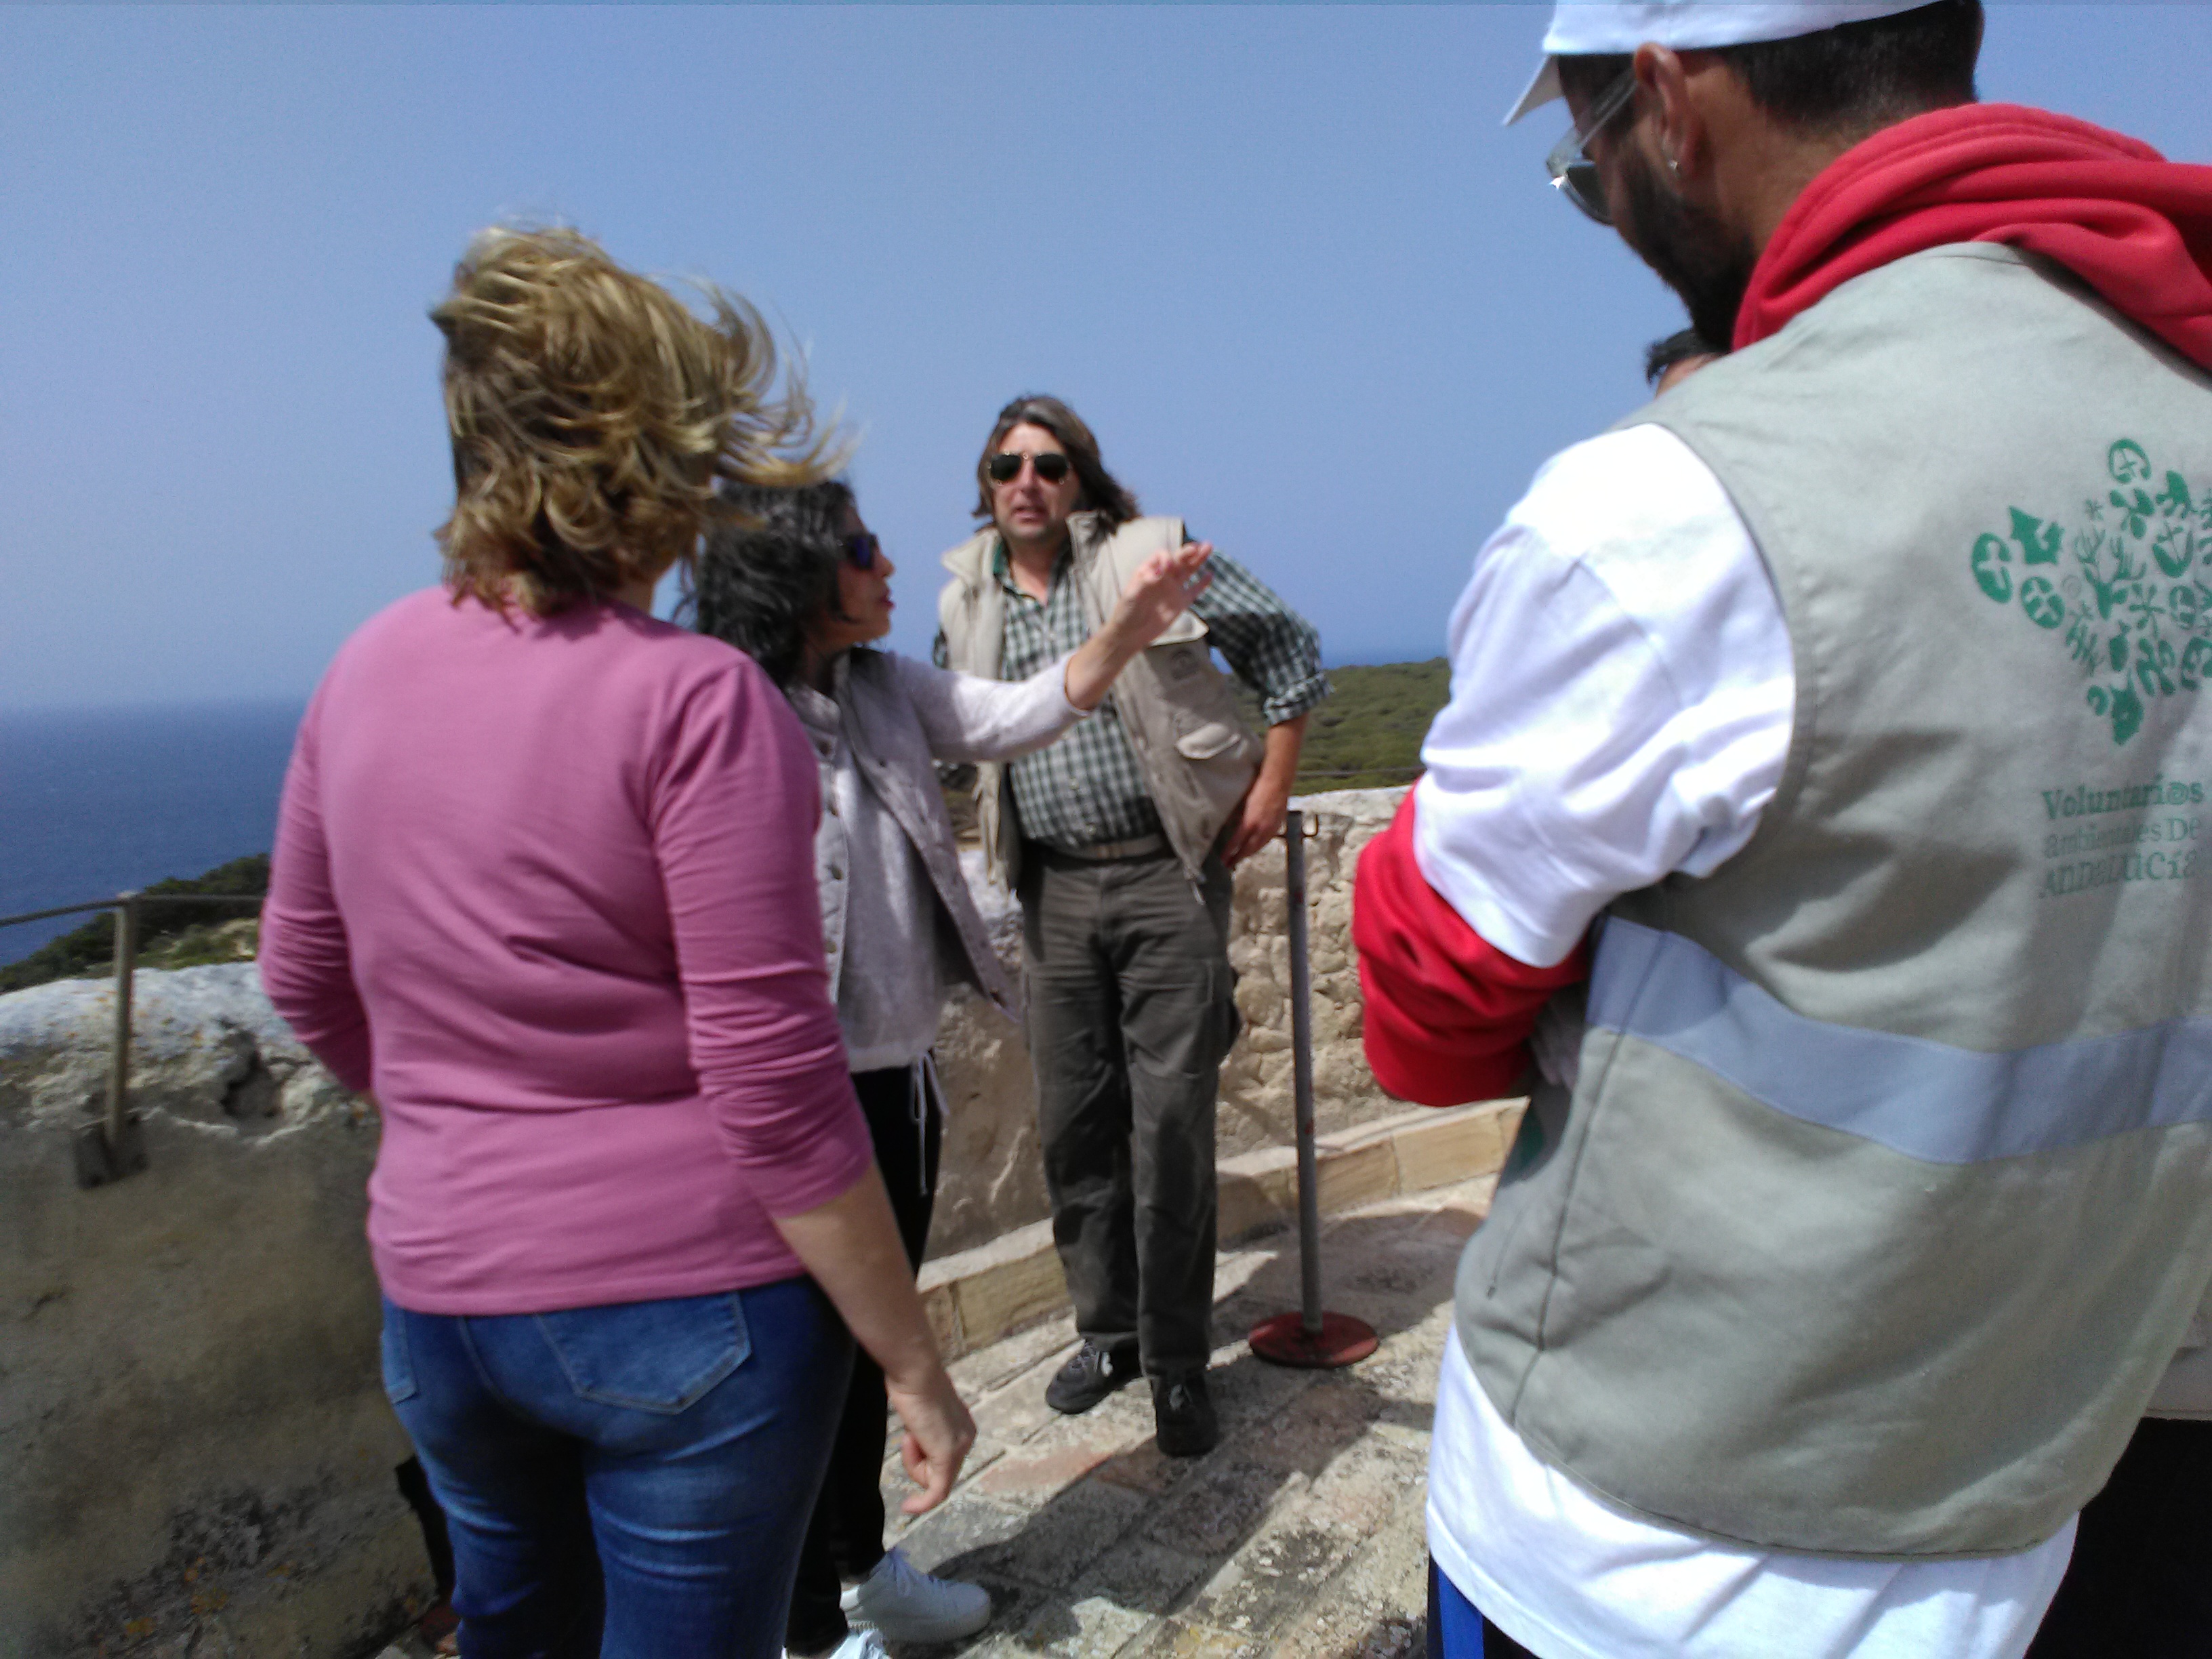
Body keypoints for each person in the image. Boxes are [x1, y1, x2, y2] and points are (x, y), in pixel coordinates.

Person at [1349, 4, 2212, 1656]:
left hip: (1658, 1539)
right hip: (2036, 1482)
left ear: (1670, 104)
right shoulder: (2181, 381)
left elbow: (1426, 1014)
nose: (1605, 206)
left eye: (1587, 167)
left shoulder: (1671, 506)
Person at [258, 227, 974, 1659]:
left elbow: (302, 978)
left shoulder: (365, 667)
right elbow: (776, 1094)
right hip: (689, 1318)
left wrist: (477, 1130)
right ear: (655, 462)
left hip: (444, 1306)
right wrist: (911, 1361)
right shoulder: (698, 701)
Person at [693, 480, 1215, 1658]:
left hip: (896, 1090)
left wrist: (1130, 629)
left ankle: (859, 1573)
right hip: (787, 1099)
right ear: (793, 575)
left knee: (851, 1366)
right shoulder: (723, 710)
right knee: (789, 1375)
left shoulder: (882, 687)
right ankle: (798, 1626)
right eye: (862, 549)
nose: (890, 567)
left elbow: (1015, 713)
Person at [935, 394, 1329, 1457]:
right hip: (1051, 894)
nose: (1027, 483)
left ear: (1082, 479)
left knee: (1170, 1131)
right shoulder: (964, 599)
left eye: (1049, 465)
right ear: (986, 483)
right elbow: (950, 733)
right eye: (1007, 466)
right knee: (1074, 1128)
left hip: (1166, 878)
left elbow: (1287, 647)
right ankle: (1107, 1334)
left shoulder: (1151, 558)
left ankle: (1178, 1363)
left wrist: (1273, 783)